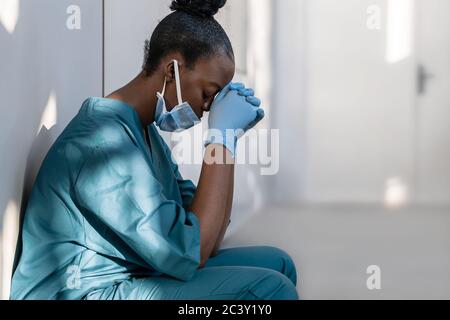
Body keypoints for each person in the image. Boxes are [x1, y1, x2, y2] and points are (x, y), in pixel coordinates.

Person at [11, 0, 299, 300]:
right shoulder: (103, 143)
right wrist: (220, 139)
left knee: (279, 264)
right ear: (172, 68)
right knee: (271, 289)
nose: (208, 109)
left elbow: (209, 238)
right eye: (209, 93)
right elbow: (193, 250)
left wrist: (229, 141)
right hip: (84, 292)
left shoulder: (144, 132)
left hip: (131, 275)